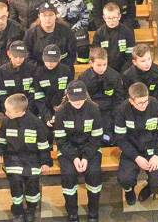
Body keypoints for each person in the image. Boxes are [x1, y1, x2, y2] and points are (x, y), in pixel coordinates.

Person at [0, 93, 52, 222]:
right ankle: (17, 209)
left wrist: (45, 162)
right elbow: (0, 141)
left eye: (9, 111)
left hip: (33, 159)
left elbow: (43, 145)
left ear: (20, 112)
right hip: (13, 158)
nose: (5, 113)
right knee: (15, 181)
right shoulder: (6, 121)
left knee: (32, 182)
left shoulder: (36, 123)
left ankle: (31, 209)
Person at [53, 80, 104, 222]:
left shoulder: (94, 109)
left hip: (90, 148)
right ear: (68, 97)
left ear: (86, 96)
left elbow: (96, 137)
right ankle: (72, 213)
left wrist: (86, 157)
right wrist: (75, 158)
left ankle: (93, 212)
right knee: (68, 175)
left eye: (81, 99)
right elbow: (61, 141)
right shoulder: (61, 112)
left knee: (94, 174)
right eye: (74, 100)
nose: (78, 103)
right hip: (68, 150)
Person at [114, 83, 158, 204]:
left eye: (146, 101)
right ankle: (129, 190)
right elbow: (120, 139)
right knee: (125, 179)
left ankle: (150, 187)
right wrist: (136, 157)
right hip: (132, 149)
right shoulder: (122, 110)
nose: (144, 105)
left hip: (152, 148)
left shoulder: (156, 105)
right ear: (131, 101)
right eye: (140, 103)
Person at [78, 46, 126, 146]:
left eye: (105, 64)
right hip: (91, 111)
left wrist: (114, 115)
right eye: (99, 65)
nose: (102, 68)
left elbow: (119, 99)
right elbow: (82, 99)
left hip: (109, 112)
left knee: (110, 137)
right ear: (91, 63)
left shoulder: (115, 76)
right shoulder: (83, 78)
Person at [92, 2, 136, 73]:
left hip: (124, 69)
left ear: (119, 17)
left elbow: (130, 55)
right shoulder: (99, 33)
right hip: (105, 69)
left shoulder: (127, 32)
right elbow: (96, 55)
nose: (111, 21)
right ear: (104, 18)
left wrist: (124, 71)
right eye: (108, 18)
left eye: (114, 18)